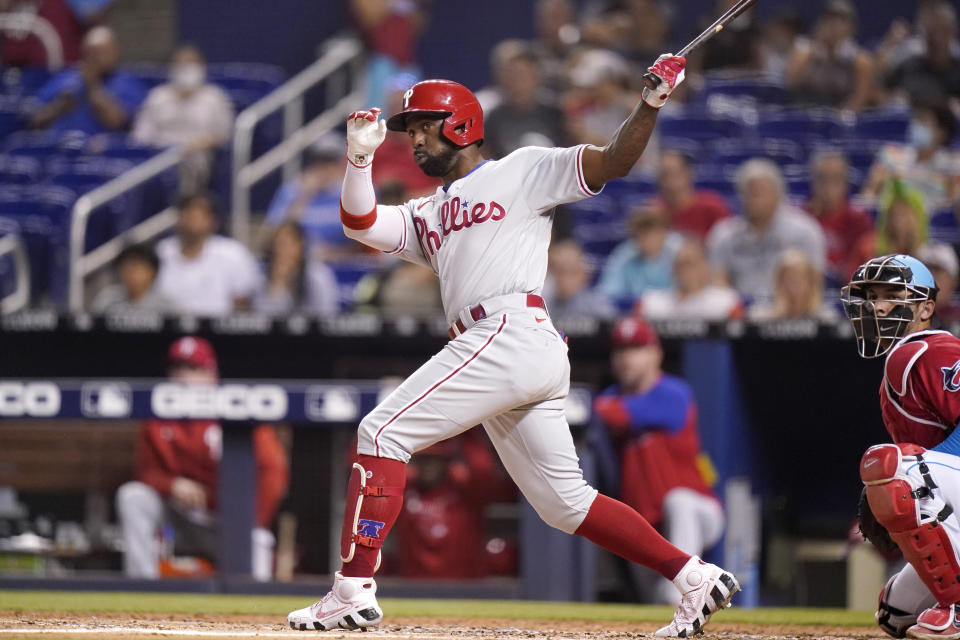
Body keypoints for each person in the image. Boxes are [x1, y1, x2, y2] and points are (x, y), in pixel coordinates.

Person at [286, 58, 740, 636]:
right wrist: (359, 158)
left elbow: (614, 161)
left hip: (508, 329)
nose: (416, 138)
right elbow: (361, 222)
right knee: (564, 504)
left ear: (460, 125)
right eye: (412, 129)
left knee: (383, 431)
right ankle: (694, 576)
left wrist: (648, 103)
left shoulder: (522, 169)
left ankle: (351, 589)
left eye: (425, 125)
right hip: (510, 344)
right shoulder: (432, 209)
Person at [840, 254, 960, 638]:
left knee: (896, 471)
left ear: (927, 307)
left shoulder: (930, 350)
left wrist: (916, 471)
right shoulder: (905, 357)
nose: (878, 305)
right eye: (872, 295)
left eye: (893, 294)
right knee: (896, 613)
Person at [115, 336, 289, 581]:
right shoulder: (157, 414)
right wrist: (172, 484)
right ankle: (142, 587)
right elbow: (146, 472)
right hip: (182, 516)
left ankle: (251, 612)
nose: (184, 377)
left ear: (212, 374)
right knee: (133, 496)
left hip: (231, 521)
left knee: (255, 552)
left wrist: (252, 520)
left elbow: (273, 471)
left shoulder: (235, 409)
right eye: (178, 368)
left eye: (194, 369)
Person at [592, 318, 724, 605]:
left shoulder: (673, 392)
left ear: (656, 353)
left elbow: (617, 414)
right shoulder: (612, 397)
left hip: (700, 511)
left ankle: (686, 589)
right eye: (621, 349)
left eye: (636, 348)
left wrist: (595, 406)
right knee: (653, 606)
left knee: (679, 501)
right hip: (647, 523)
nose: (626, 357)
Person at [706, 158, 826, 303]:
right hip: (741, 315)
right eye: (748, 192)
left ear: (777, 193)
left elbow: (815, 283)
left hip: (791, 311)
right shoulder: (724, 233)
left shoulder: (805, 230)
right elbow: (718, 282)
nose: (753, 199)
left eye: (759, 192)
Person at [131, 45, 235, 194]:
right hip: (159, 157)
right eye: (180, 64)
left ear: (201, 67)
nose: (185, 68)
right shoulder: (157, 97)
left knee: (186, 162)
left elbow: (225, 133)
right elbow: (141, 136)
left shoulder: (214, 97)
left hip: (195, 157)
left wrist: (203, 142)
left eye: (191, 64)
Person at [155, 192, 262, 317]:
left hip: (220, 330)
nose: (192, 220)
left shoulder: (233, 253)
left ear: (213, 221)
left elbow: (243, 301)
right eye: (187, 213)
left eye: (198, 215)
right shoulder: (160, 252)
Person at [263, 134, 365, 263]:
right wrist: (305, 195)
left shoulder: (355, 191)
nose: (324, 168)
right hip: (300, 264)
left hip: (347, 265)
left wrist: (336, 252)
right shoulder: (291, 191)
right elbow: (273, 234)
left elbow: (367, 238)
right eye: (319, 161)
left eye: (330, 161)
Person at [29, 25, 145, 135]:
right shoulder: (64, 78)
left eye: (102, 53)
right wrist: (59, 106)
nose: (95, 58)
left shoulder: (127, 82)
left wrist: (91, 85)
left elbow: (117, 122)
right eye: (91, 53)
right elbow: (36, 121)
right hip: (58, 149)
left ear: (115, 53)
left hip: (101, 152)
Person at [860, 101, 960, 215]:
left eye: (923, 121)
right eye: (916, 120)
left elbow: (951, 210)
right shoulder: (890, 155)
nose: (916, 125)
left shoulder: (952, 168)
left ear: (942, 132)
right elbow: (868, 195)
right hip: (887, 221)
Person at [784, 0, 876, 112]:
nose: (834, 26)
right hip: (803, 113)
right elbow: (791, 83)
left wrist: (842, 118)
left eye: (841, 21)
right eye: (830, 19)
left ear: (851, 27)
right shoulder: (804, 50)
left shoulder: (860, 60)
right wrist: (817, 46)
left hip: (838, 118)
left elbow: (860, 98)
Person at [482, 43, 568, 159]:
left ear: (537, 76)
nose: (519, 81)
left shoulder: (555, 113)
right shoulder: (493, 119)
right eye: (513, 75)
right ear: (502, 78)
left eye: (524, 75)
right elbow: (487, 161)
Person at [804, 150, 874, 285]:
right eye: (822, 179)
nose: (828, 187)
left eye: (836, 179)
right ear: (813, 182)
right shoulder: (802, 219)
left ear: (845, 184)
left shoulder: (859, 221)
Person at [598, 206, 684, 307]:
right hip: (636, 312)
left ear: (664, 233)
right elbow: (607, 292)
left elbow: (693, 288)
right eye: (640, 235)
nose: (646, 240)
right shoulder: (625, 253)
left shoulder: (679, 250)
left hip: (678, 309)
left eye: (651, 234)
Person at [639, 240, 742, 322]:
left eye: (689, 264)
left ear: (705, 268)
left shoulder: (725, 302)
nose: (684, 271)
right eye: (679, 264)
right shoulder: (653, 302)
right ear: (672, 270)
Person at [254, 222, 340, 317]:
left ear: (300, 245)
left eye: (287, 244)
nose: (282, 250)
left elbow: (328, 313)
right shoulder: (265, 275)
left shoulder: (318, 274)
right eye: (277, 245)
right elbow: (262, 317)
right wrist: (278, 283)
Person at [884, 1, 960, 106]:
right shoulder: (908, 65)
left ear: (953, 32)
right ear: (924, 35)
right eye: (932, 32)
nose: (937, 39)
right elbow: (880, 89)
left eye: (943, 31)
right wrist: (894, 99)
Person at [850, 179, 930, 278]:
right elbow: (855, 281)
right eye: (895, 213)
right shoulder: (868, 248)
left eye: (905, 214)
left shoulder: (928, 255)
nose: (899, 220)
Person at [648, 150, 731, 242]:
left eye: (671, 173)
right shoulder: (654, 212)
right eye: (662, 175)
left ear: (688, 174)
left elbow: (728, 242)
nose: (667, 182)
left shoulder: (711, 207)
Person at [747, 248, 838, 322]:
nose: (792, 288)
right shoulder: (760, 314)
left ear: (811, 284)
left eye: (798, 280)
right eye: (787, 280)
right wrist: (777, 314)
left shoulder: (825, 317)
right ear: (778, 284)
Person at [542, 238, 616, 320]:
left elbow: (611, 325)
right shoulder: (543, 304)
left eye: (573, 272)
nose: (566, 279)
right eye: (560, 272)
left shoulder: (597, 306)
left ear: (585, 275)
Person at [91, 244, 176, 313]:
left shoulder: (166, 306)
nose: (131, 273)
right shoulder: (107, 300)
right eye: (127, 267)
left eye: (137, 267)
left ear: (152, 272)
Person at [918, 241, 960, 323]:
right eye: (926, 271)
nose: (931, 279)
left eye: (937, 273)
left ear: (954, 281)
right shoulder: (906, 317)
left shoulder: (957, 318)